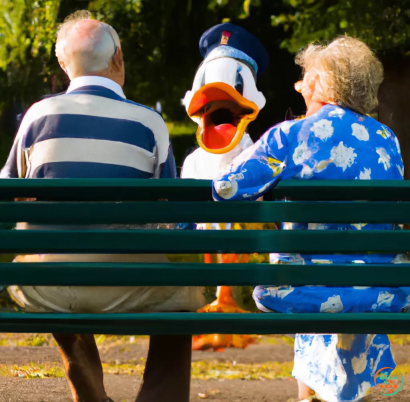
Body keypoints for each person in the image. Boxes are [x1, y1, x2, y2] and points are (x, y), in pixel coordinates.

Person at [1, 10, 204, 402]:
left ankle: (91, 395)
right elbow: (176, 215)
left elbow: (8, 193)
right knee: (184, 299)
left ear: (64, 64)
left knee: (51, 268)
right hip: (131, 283)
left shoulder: (37, 117)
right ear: (118, 59)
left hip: (51, 288)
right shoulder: (149, 123)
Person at [213, 36, 410, 402]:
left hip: (302, 291)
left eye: (305, 77)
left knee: (309, 273)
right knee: (337, 279)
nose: (299, 86)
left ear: (322, 83)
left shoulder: (291, 136)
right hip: (382, 292)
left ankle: (313, 397)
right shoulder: (388, 140)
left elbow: (226, 187)